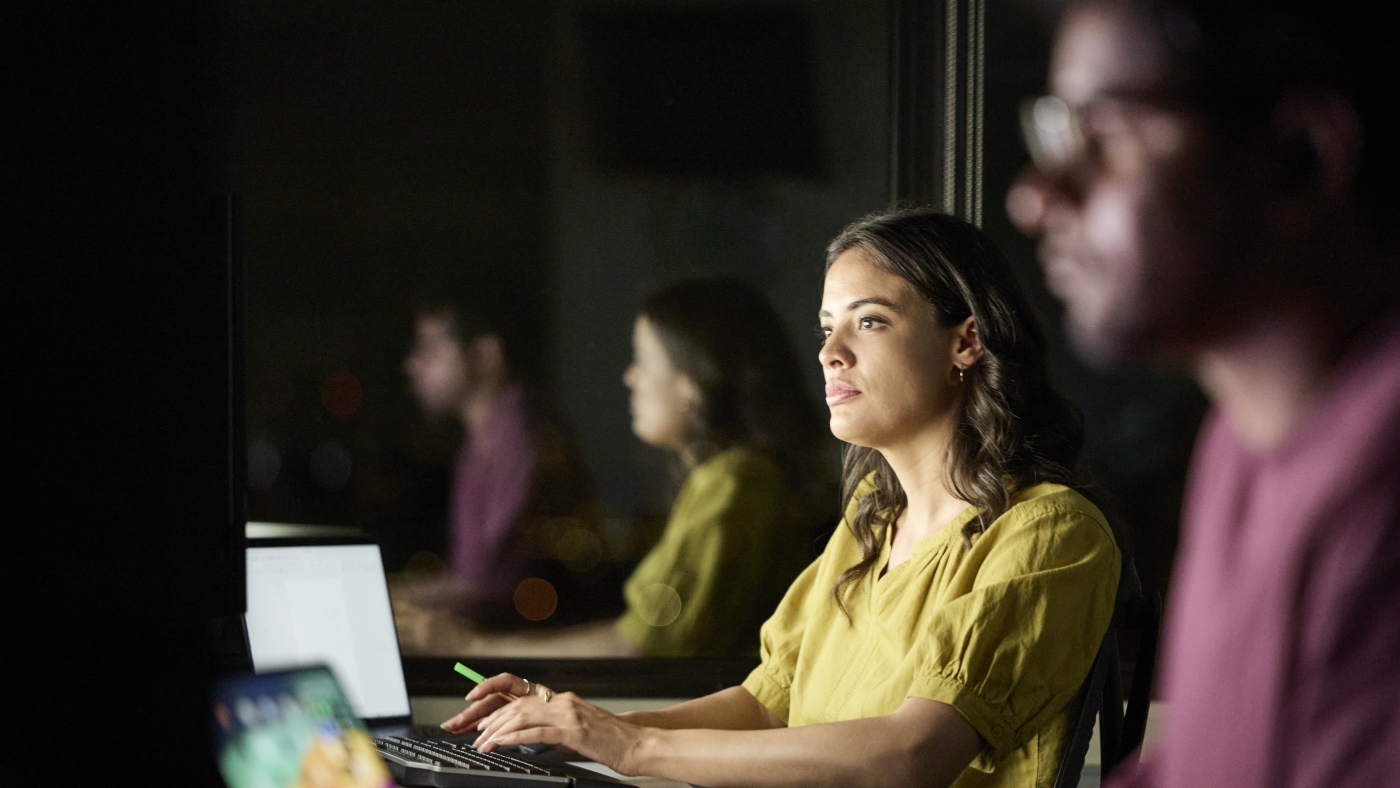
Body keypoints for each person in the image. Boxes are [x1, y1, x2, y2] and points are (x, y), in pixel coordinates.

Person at [439, 210, 1121, 788]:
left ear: (966, 340)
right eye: (827, 328)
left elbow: (913, 754)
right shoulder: (869, 530)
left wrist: (634, 748)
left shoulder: (1050, 535)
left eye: (871, 322)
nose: (831, 352)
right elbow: (767, 704)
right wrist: (585, 728)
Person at [1006, 1, 1400, 786]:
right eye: (1054, 132)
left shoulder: (1385, 485)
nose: (1035, 195)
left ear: (1300, 155)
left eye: (1105, 133)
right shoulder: (1238, 442)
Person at [400, 278, 835, 657]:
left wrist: (467, 648)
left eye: (643, 360)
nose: (630, 378)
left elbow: (642, 642)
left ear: (693, 380)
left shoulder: (733, 484)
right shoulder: (733, 480)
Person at [398, 292, 603, 626]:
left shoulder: (520, 440)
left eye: (431, 347)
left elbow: (488, 588)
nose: (414, 364)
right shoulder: (483, 439)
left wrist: (392, 599)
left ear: (486, 355)